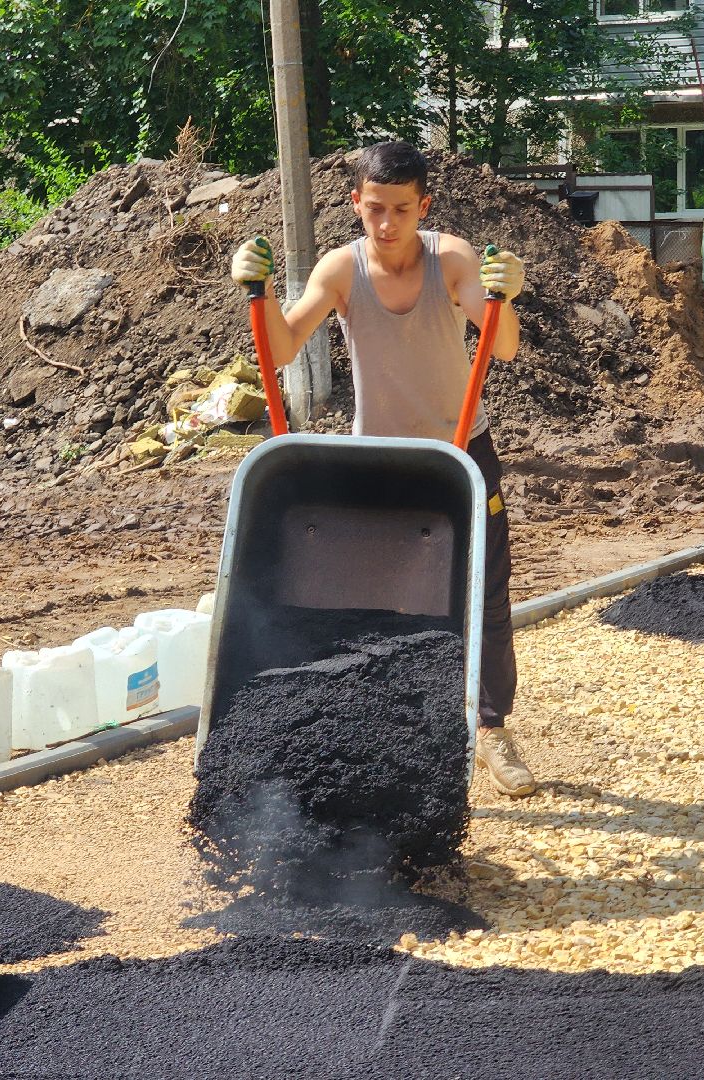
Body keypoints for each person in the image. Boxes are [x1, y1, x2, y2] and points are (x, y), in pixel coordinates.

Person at [228, 140, 536, 797]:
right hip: (382, 461)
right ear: (355, 205)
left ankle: (491, 732)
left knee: (483, 593)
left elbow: (502, 347)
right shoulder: (341, 271)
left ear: (423, 206)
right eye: (375, 210)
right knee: (376, 598)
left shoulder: (450, 259)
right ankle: (382, 729)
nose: (388, 224)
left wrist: (504, 295)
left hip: (460, 455)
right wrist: (253, 288)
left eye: (401, 209)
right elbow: (282, 347)